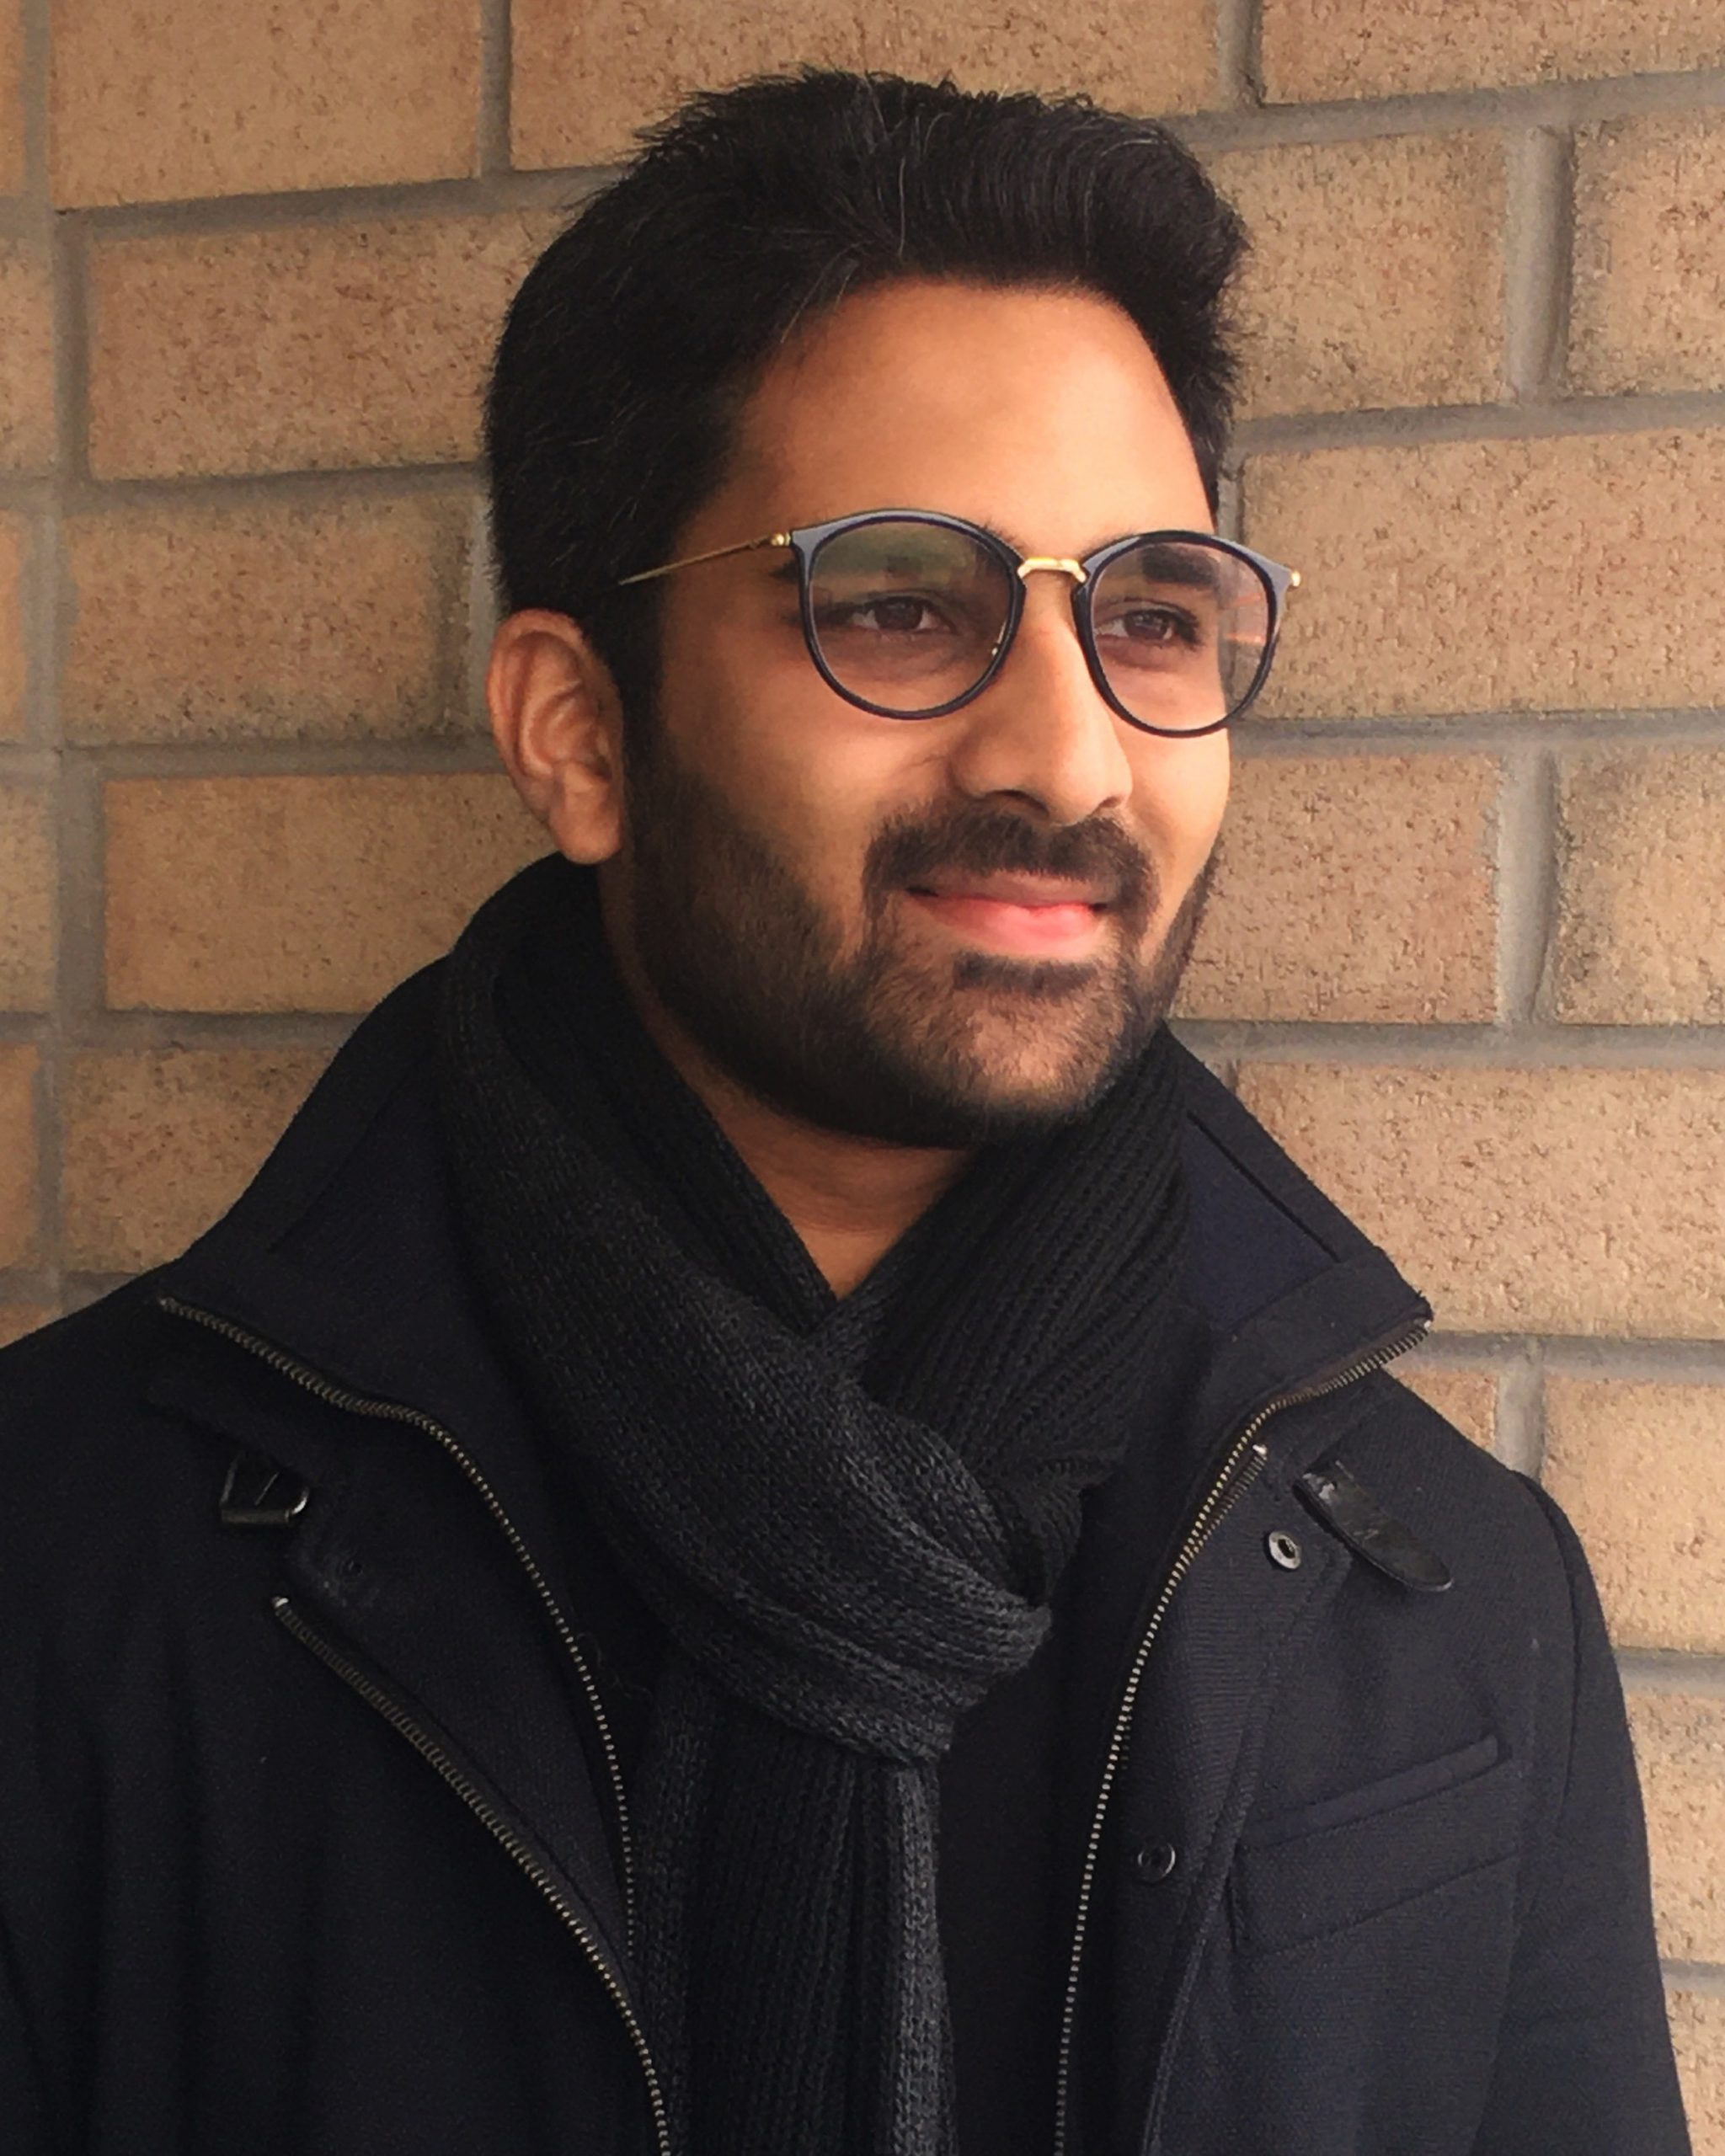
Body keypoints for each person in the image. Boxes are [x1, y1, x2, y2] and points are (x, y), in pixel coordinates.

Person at [0, 67, 1689, 2156]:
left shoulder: (1434, 1589)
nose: (1068, 757)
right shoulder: (71, 1557)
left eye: (1152, 614)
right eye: (896, 598)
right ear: (577, 729)